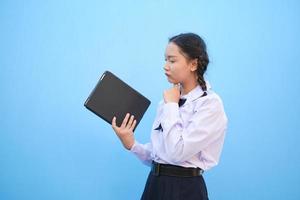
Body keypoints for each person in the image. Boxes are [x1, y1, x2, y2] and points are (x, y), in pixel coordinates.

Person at [111, 33, 228, 200]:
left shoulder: (209, 104)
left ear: (193, 64)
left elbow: (177, 153)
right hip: (155, 185)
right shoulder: (168, 100)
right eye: (165, 60)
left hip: (185, 189)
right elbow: (158, 155)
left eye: (172, 61)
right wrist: (131, 143)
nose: (165, 66)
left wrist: (172, 105)